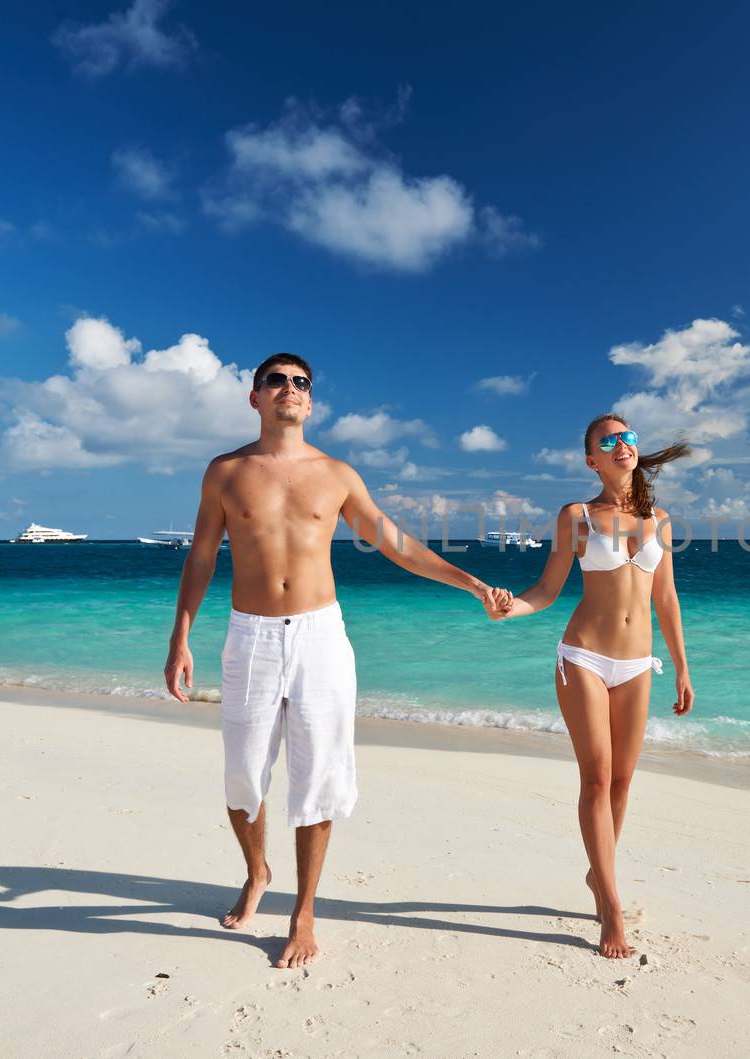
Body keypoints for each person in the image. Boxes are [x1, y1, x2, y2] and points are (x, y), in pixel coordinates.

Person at [164, 353, 511, 969]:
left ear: (311, 402)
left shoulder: (337, 474)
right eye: (277, 381)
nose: (289, 390)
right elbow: (200, 556)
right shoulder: (225, 471)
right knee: (243, 777)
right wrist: (180, 636)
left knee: (319, 778)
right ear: (255, 397)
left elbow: (396, 545)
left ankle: (303, 912)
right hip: (251, 636)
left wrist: (474, 584)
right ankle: (257, 872)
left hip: (321, 638)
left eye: (301, 384)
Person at [494, 413, 693, 958]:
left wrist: (680, 665)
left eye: (628, 437)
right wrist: (512, 609)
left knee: (624, 781)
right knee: (598, 777)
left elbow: (666, 600)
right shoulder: (577, 516)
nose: (623, 444)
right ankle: (610, 905)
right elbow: (547, 587)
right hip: (582, 655)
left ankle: (596, 876)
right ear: (592, 459)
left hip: (636, 664)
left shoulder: (661, 520)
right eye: (610, 440)